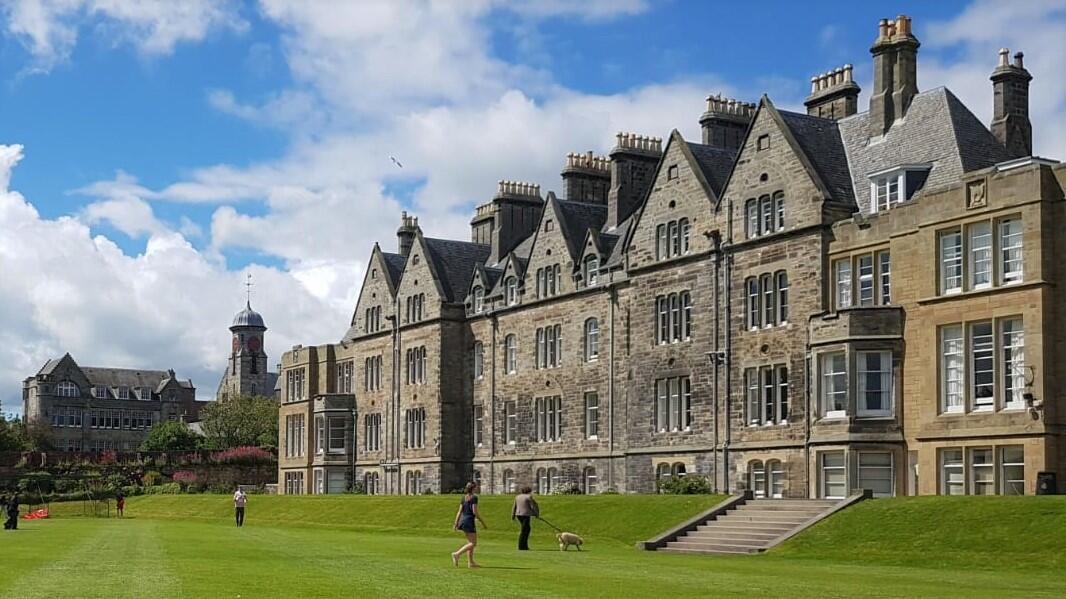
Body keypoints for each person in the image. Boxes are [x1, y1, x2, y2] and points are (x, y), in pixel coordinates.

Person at [451, 482, 487, 568]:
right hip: (469, 521)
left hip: (463, 521)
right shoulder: (474, 498)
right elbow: (475, 512)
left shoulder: (464, 498)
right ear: (473, 488)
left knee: (470, 542)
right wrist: (482, 522)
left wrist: (456, 523)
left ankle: (471, 563)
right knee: (473, 543)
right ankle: (457, 554)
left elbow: (459, 511)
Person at [511, 485, 539, 550]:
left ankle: (524, 546)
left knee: (526, 529)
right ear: (528, 491)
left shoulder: (517, 497)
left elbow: (514, 506)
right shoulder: (529, 497)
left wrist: (512, 515)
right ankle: (521, 546)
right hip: (525, 514)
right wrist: (536, 514)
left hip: (518, 515)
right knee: (524, 530)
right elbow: (533, 506)